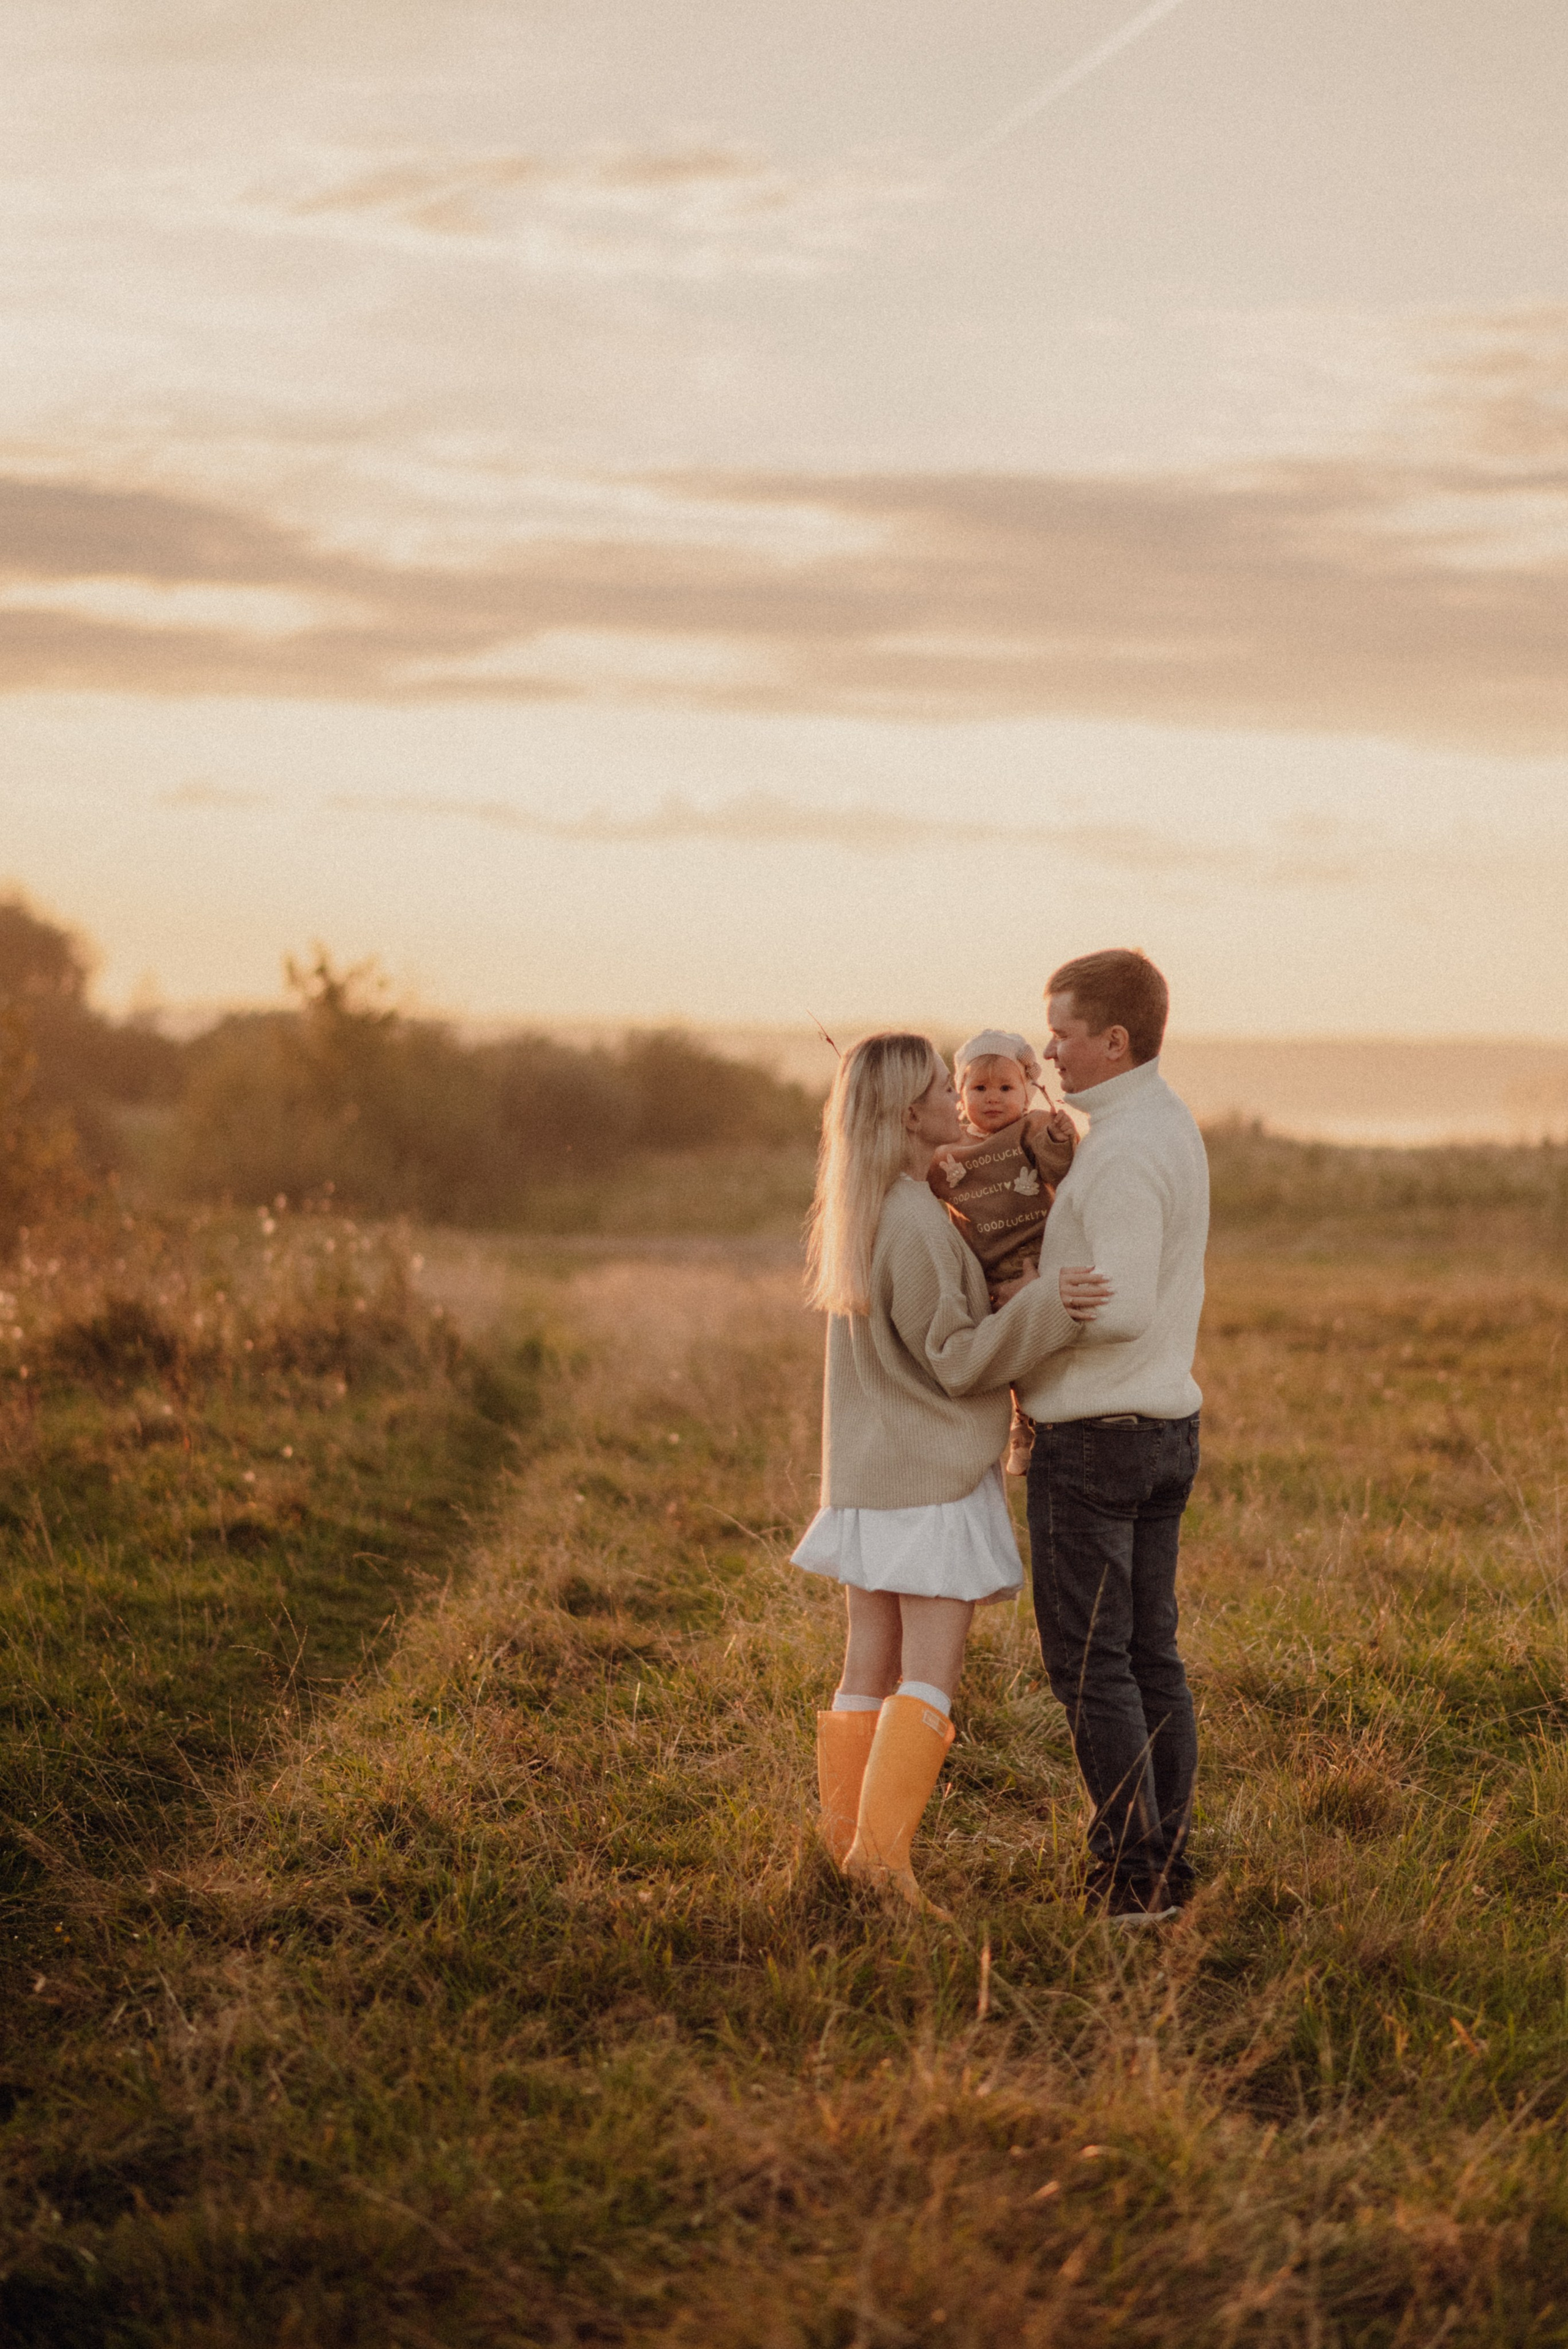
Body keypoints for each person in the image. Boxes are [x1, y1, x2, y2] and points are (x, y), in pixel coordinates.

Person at [793, 1031, 1104, 1917]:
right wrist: (1050, 1302)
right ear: (909, 1112)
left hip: (867, 1478)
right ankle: (882, 1866)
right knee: (928, 1671)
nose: (956, 1097)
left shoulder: (869, 1208)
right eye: (941, 1086)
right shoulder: (920, 1224)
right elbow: (960, 1361)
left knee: (867, 1664)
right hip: (927, 1481)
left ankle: (842, 1849)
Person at [1012, 950, 1210, 1926]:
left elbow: (1121, 1305)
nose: (1048, 1048)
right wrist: (1063, 1174)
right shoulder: (1147, 1125)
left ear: (1115, 1039)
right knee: (1147, 1657)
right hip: (1160, 1425)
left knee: (1096, 1667)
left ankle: (1133, 1881)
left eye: (1062, 1031)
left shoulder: (1128, 1148)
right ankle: (1165, 1865)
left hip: (1099, 1439)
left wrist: (1028, 1303)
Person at [926, 1028, 1078, 1476]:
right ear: (960, 1093)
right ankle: (1019, 1425)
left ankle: (1041, 1420)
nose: (993, 1098)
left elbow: (1058, 1170)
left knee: (1040, 1345)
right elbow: (917, 1181)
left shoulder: (1028, 1130)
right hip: (983, 1266)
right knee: (1000, 1348)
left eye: (1006, 1088)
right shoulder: (950, 1147)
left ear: (1027, 1090)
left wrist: (1060, 1137)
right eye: (979, 1088)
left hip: (1035, 1251)